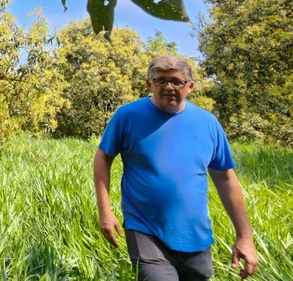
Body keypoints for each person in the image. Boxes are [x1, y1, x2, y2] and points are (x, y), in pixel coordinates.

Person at [93, 55, 259, 280]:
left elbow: (226, 179)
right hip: (145, 228)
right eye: (161, 80)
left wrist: (245, 237)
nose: (169, 87)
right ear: (149, 84)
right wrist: (105, 211)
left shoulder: (207, 123)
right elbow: (103, 158)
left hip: (196, 235)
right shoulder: (127, 116)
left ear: (190, 86)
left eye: (176, 81)